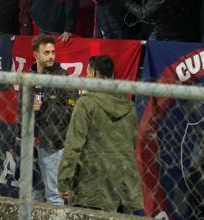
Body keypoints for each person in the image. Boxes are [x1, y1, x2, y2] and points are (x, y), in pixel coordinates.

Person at [56, 55, 143, 213]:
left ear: (94, 73)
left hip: (90, 186)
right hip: (121, 187)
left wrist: (64, 180)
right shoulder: (129, 106)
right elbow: (133, 143)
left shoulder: (86, 103)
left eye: (88, 71)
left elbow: (73, 146)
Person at [29, 35, 75, 206]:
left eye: (53, 52)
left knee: (55, 196)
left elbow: (71, 111)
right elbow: (20, 110)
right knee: (34, 193)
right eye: (46, 52)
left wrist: (45, 106)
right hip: (30, 143)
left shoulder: (62, 76)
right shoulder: (29, 76)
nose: (51, 56)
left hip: (52, 143)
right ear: (36, 54)